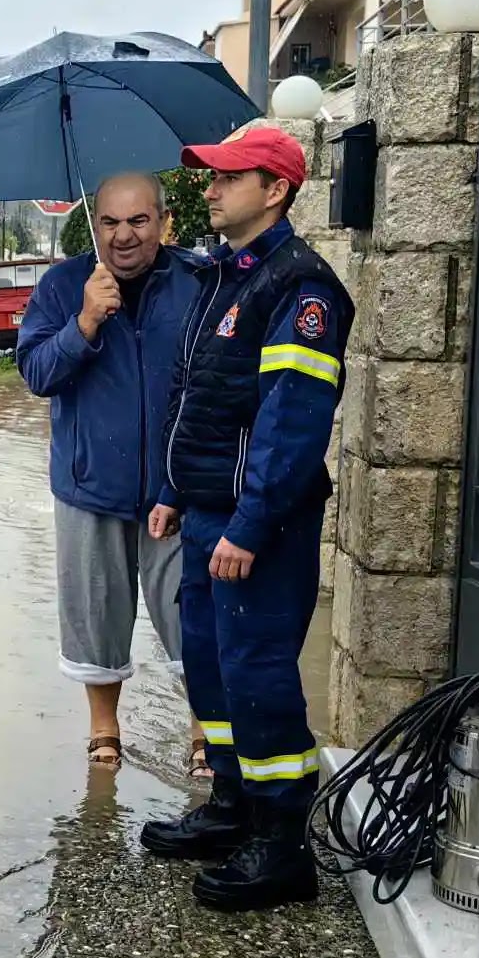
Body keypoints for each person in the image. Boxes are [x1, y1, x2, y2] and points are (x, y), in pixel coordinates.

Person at [141, 125, 354, 913]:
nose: (212, 188)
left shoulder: (300, 288)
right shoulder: (228, 277)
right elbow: (199, 399)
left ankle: (281, 845)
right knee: (210, 665)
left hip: (257, 527)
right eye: (212, 175)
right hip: (204, 512)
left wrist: (252, 524)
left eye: (231, 177)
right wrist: (174, 488)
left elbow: (292, 422)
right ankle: (232, 808)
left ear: (276, 190)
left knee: (259, 677)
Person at [16, 172, 207, 773]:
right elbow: (36, 373)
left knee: (192, 608)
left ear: (164, 222)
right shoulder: (64, 286)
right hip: (90, 487)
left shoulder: (199, 282)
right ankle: (104, 728)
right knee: (96, 611)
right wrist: (85, 324)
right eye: (110, 222)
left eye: (139, 221)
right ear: (94, 225)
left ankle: (205, 729)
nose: (124, 236)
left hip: (180, 488)